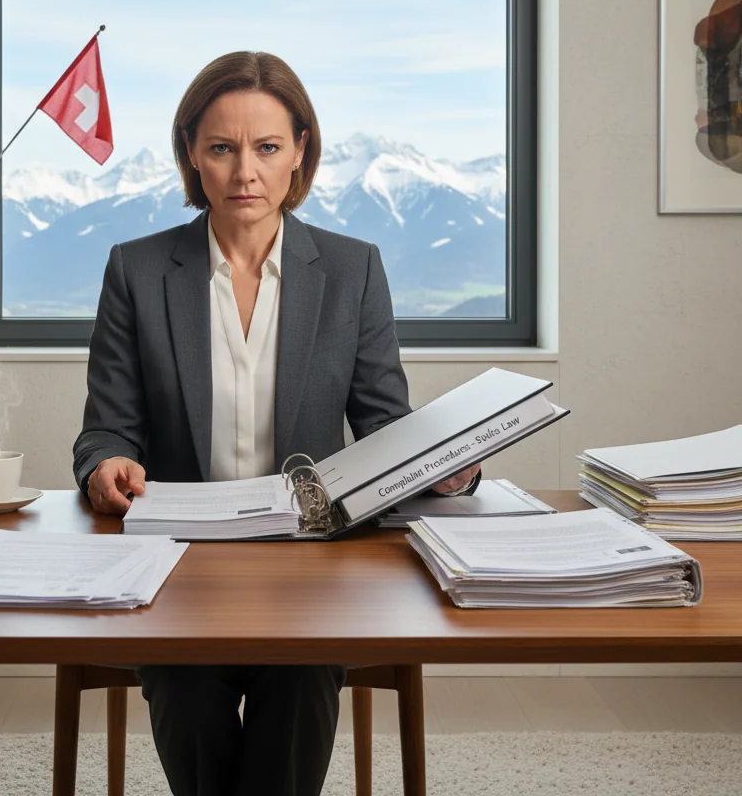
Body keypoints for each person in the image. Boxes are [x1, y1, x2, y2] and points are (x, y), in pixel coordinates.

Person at [73, 51, 480, 796]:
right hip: (177, 569)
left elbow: (388, 425)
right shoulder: (135, 270)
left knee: (300, 681)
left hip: (309, 569)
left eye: (266, 148)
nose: (244, 173)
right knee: (186, 689)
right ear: (192, 153)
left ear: (300, 151)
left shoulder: (353, 270)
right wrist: (105, 468)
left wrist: (447, 465)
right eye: (222, 148)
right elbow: (105, 431)